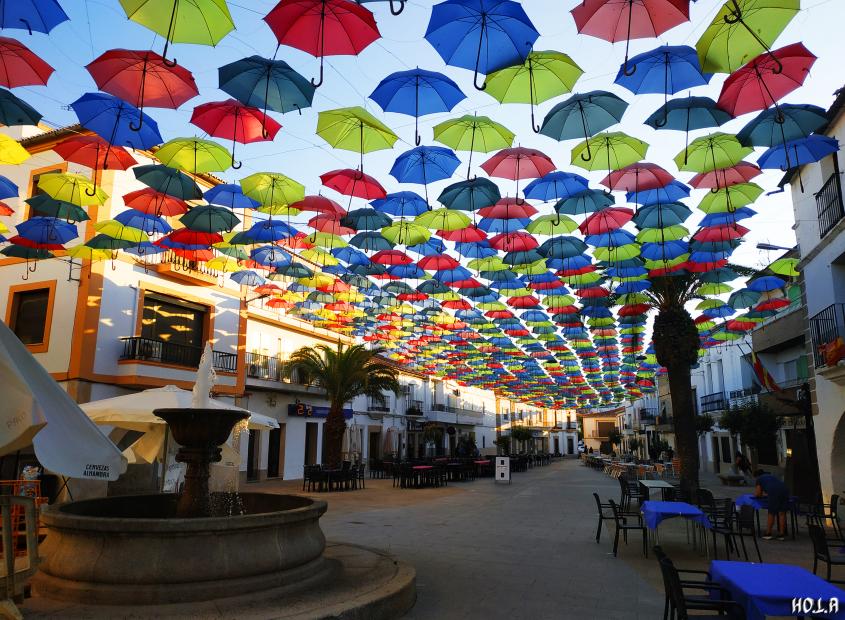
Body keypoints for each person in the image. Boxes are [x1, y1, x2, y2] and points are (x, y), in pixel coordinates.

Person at [754, 469, 789, 540]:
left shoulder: (759, 479)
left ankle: (768, 533)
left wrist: (756, 494)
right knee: (782, 513)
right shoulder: (771, 476)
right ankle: (781, 534)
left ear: (757, 476)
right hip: (784, 489)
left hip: (774, 491)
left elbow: (758, 494)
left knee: (771, 513)